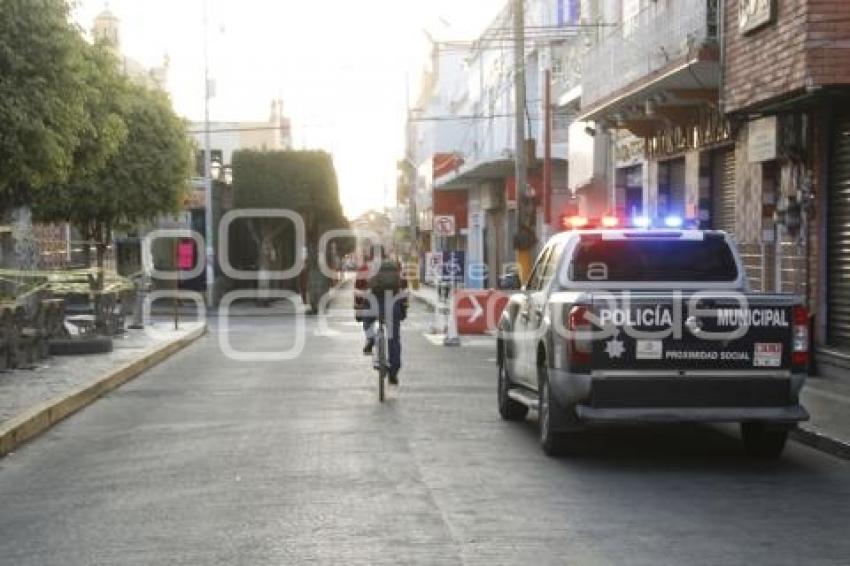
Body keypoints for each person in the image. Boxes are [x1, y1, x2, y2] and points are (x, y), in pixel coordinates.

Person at [354, 245, 407, 384]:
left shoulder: (365, 268)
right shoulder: (396, 266)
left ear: (370, 254)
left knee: (367, 321)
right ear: (385, 254)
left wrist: (358, 304)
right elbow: (404, 287)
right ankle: (393, 373)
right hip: (392, 304)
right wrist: (403, 307)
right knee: (394, 338)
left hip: (372, 304)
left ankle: (370, 338)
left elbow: (357, 290)